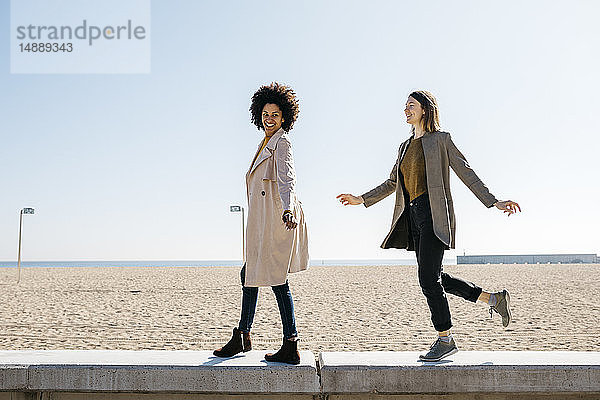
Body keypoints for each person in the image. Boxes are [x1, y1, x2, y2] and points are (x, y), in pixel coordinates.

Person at [337, 90, 521, 362]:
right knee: (436, 277)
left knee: (427, 279)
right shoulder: (404, 147)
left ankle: (445, 339)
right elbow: (392, 183)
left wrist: (493, 201)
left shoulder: (441, 140)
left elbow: (466, 172)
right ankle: (494, 299)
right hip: (413, 218)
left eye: (410, 105)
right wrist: (361, 199)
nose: (406, 110)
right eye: (405, 106)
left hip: (434, 215)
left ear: (424, 109)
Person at [213, 82, 309, 365]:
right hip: (264, 219)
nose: (270, 119)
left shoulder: (282, 142)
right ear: (259, 115)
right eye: (266, 114)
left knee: (277, 280)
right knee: (250, 274)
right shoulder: (264, 142)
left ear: (284, 117)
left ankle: (290, 344)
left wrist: (289, 210)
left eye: (275, 115)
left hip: (278, 219)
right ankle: (243, 335)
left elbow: (287, 179)